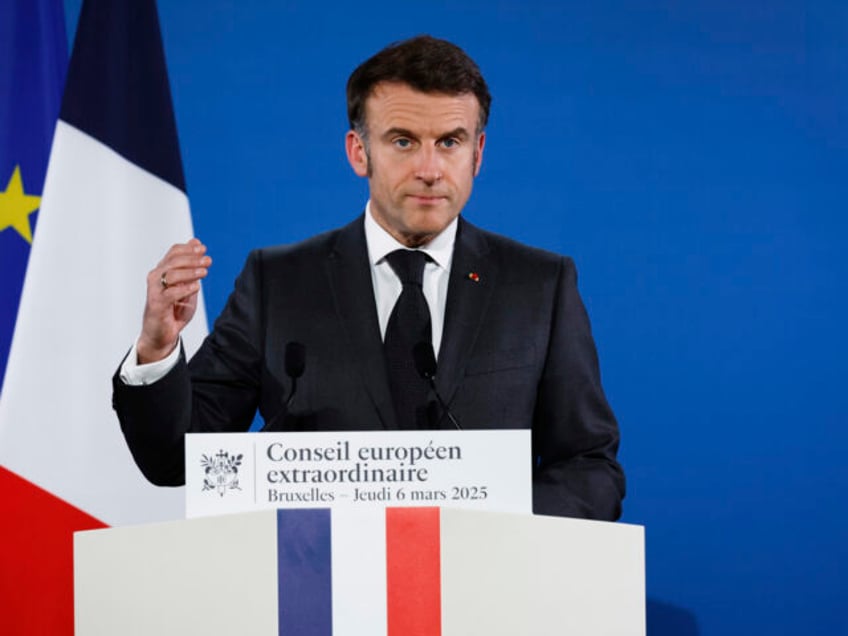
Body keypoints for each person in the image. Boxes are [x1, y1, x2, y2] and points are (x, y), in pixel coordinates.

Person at [113, 35, 625, 521]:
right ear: (359, 152)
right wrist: (156, 349)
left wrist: (501, 531)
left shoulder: (538, 286)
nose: (430, 168)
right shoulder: (278, 282)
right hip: (318, 592)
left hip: (485, 592)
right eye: (403, 141)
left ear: (478, 154)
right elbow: (177, 457)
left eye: (450, 142)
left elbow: (589, 466)